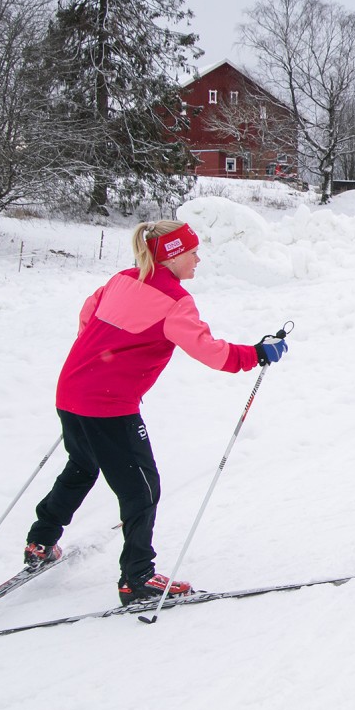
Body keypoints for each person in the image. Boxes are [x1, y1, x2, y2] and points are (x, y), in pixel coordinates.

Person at [23, 220, 289, 605]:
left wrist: (101, 361)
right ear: (173, 256)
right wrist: (258, 354)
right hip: (109, 405)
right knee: (141, 489)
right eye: (193, 252)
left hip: (71, 391)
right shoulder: (174, 299)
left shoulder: (121, 279)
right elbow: (209, 351)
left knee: (81, 467)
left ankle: (40, 541)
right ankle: (138, 579)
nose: (199, 258)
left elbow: (87, 316)